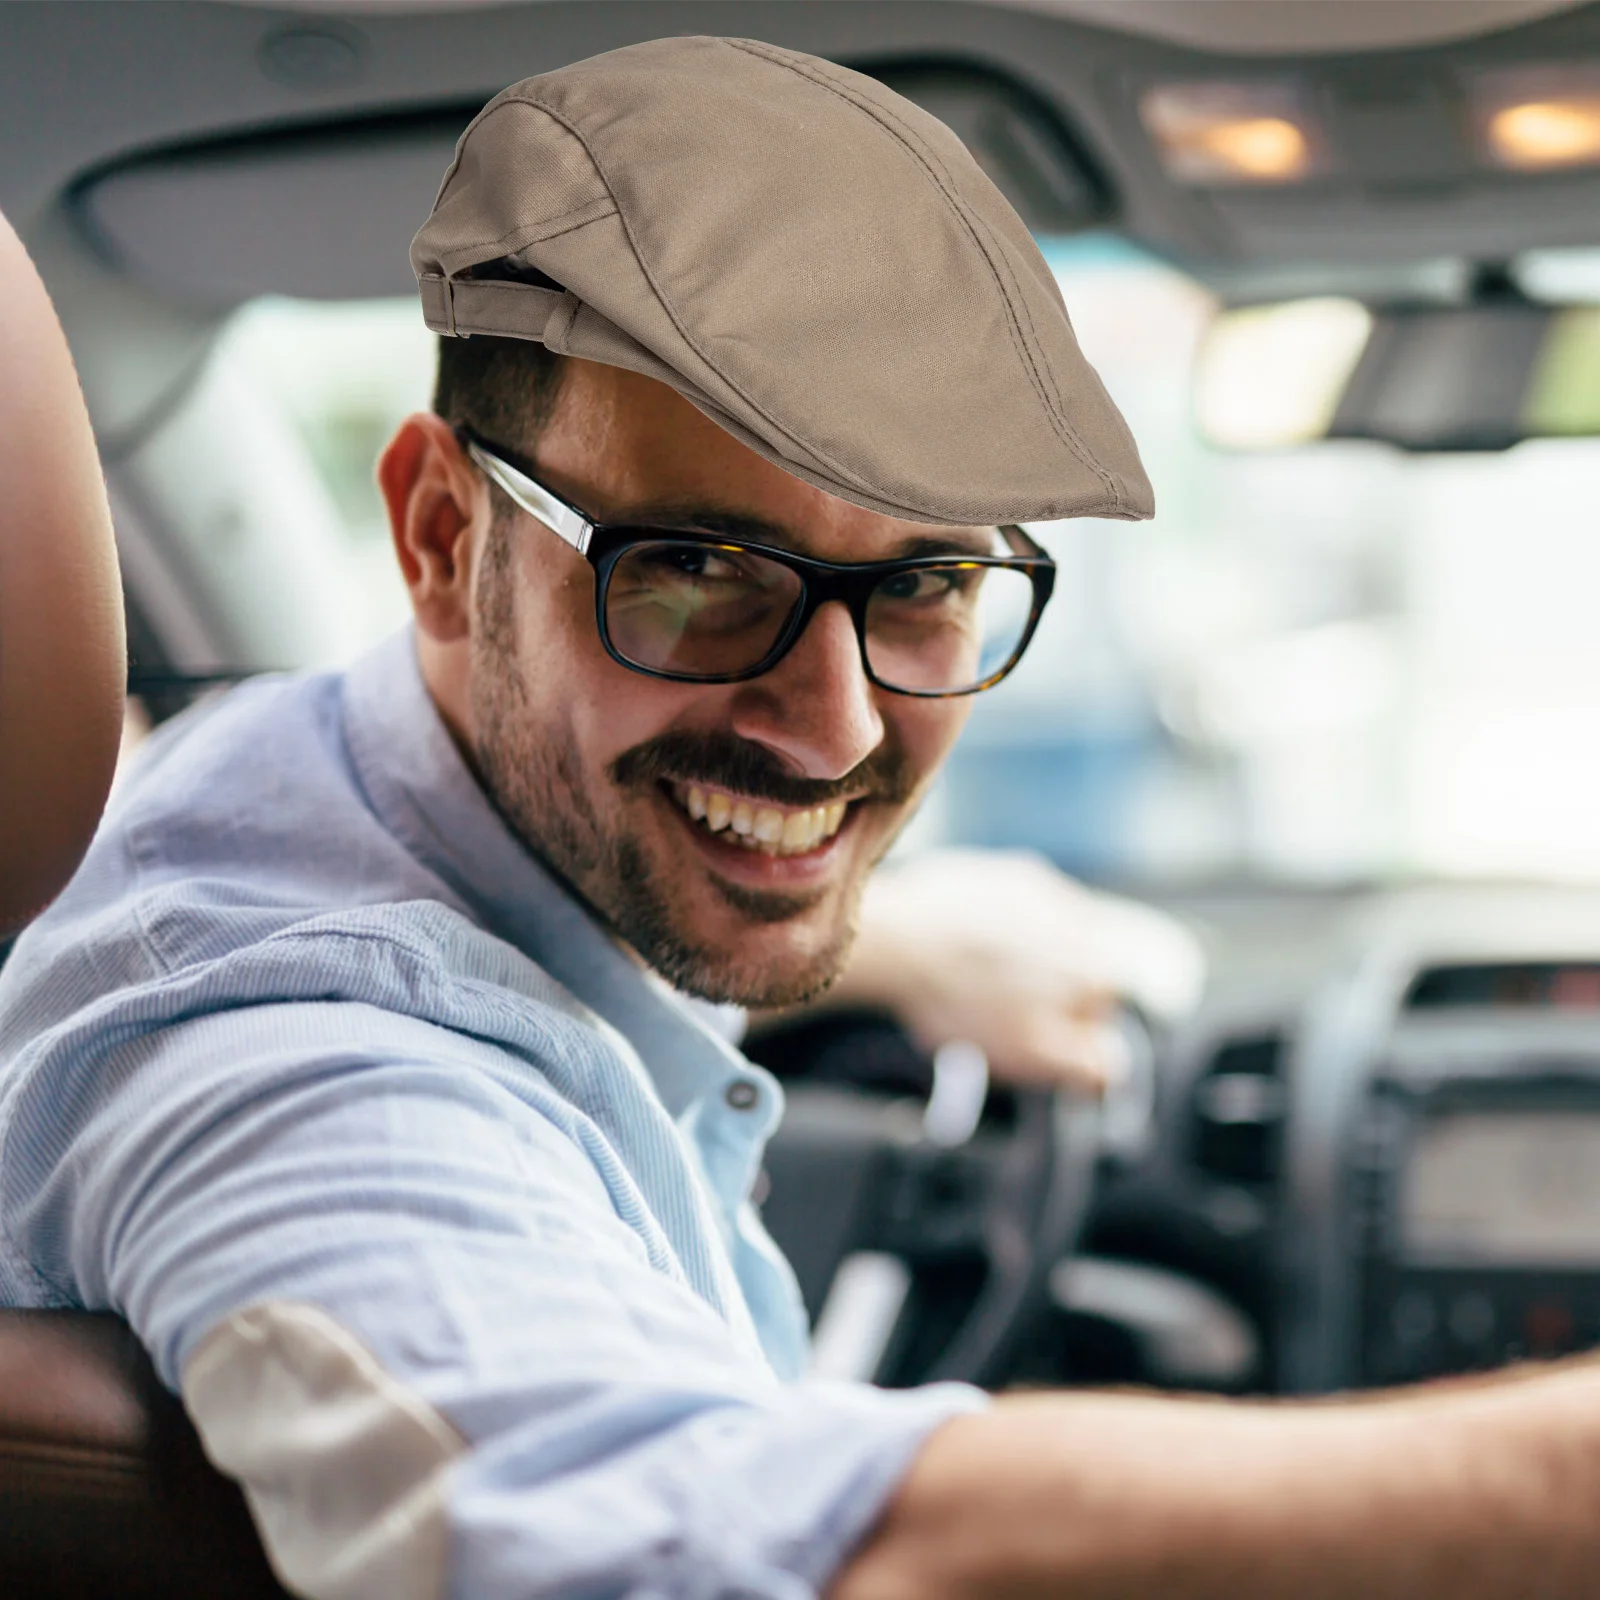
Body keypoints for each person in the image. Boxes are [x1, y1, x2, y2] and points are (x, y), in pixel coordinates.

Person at [2, 37, 1597, 1600]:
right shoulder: (276, 1051)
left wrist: (891, 945)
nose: (834, 729)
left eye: (925, 584)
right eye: (696, 574)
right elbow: (714, 1549)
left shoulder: (330, 795)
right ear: (438, 532)